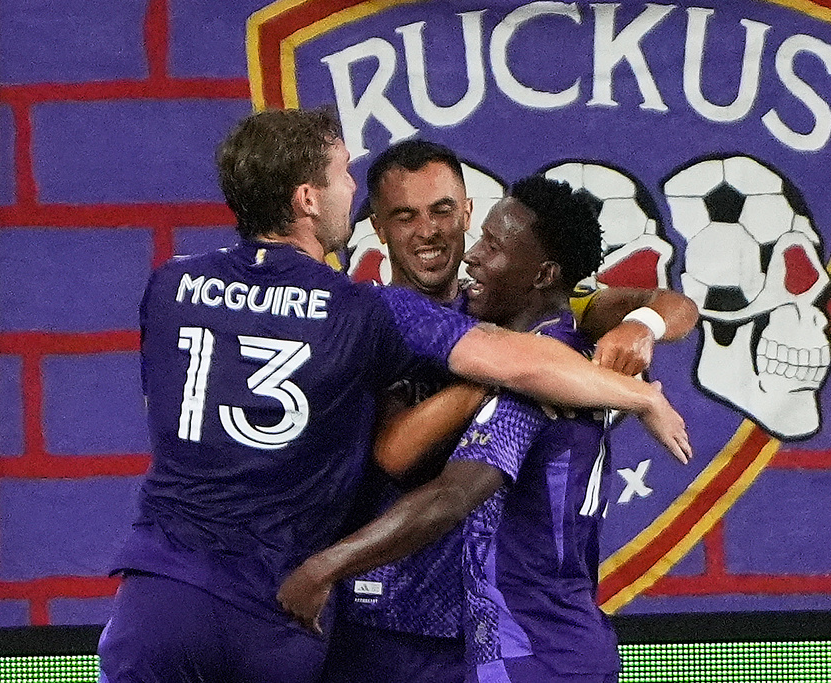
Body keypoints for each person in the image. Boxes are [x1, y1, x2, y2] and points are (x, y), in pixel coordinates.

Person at [96, 109, 689, 683]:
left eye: (444, 212)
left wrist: (644, 328)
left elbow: (669, 305)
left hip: (447, 633)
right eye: (402, 216)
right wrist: (631, 395)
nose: (428, 231)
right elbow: (402, 449)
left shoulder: (171, 282)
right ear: (370, 226)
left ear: (466, 214)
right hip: (344, 617)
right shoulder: (372, 312)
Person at [279, 176, 689, 682]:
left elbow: (448, 496)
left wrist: (325, 567)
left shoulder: (533, 386)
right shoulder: (573, 359)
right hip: (561, 644)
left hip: (531, 654)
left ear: (544, 275)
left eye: (493, 246)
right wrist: (643, 324)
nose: (472, 257)